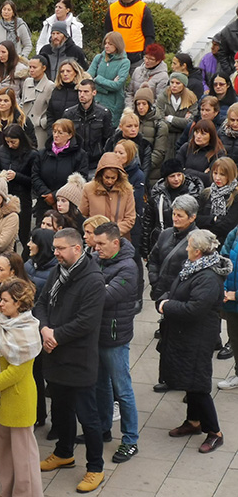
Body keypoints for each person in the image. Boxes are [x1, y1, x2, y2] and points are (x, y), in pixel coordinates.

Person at [35, 229, 106, 493]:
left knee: (88, 417)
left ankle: (95, 467)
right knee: (60, 410)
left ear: (77, 249)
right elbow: (41, 303)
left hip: (78, 359)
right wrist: (44, 330)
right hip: (54, 355)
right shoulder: (58, 270)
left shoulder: (93, 280)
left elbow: (86, 322)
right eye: (55, 248)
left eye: (61, 248)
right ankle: (64, 452)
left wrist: (56, 335)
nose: (55, 253)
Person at [156, 229, 230, 452]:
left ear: (198, 252)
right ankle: (193, 422)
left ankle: (214, 432)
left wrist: (166, 306)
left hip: (198, 337)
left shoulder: (207, 277)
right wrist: (165, 299)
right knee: (189, 378)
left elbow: (194, 309)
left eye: (189, 246)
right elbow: (176, 290)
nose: (186, 248)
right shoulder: (194, 267)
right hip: (185, 334)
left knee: (198, 385)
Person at [0, 277, 44, 497]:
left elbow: (18, 371)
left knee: (24, 459)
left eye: (4, 301)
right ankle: (6, 492)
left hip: (16, 401)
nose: (0, 305)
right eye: (0, 300)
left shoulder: (28, 329)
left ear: (19, 303)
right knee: (2, 456)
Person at [90, 222, 140, 462]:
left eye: (100, 244)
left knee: (122, 389)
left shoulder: (128, 268)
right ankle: (103, 428)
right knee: (101, 385)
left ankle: (130, 439)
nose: (95, 247)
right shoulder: (96, 259)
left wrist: (93, 287)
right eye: (94, 242)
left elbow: (103, 297)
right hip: (96, 334)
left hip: (114, 337)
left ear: (116, 243)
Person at [79, 152, 137, 239]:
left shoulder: (127, 190)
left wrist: (113, 233)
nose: (109, 181)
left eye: (113, 178)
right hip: (95, 239)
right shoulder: (88, 188)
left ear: (119, 176)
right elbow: (83, 214)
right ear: (100, 174)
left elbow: (130, 218)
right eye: (107, 177)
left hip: (119, 239)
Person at [62, 79, 113, 170]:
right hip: (74, 160)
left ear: (94, 93)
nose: (82, 95)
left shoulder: (103, 113)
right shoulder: (69, 114)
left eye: (86, 92)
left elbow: (108, 139)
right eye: (80, 91)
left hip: (96, 161)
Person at [103, 0, 154, 66]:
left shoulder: (142, 8)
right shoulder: (113, 8)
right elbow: (107, 32)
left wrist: (145, 54)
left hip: (137, 57)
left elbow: (150, 35)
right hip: (116, 56)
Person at [89, 32, 131, 127]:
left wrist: (98, 79)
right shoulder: (98, 58)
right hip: (96, 102)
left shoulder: (124, 62)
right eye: (105, 43)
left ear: (117, 45)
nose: (106, 46)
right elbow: (88, 79)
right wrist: (108, 85)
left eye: (110, 44)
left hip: (113, 106)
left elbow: (117, 86)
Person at [196, 157, 238, 242]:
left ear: (231, 174)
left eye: (222, 174)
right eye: (215, 173)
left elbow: (228, 225)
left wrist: (207, 225)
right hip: (202, 239)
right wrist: (213, 219)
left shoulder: (235, 196)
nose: (217, 178)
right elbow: (196, 219)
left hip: (225, 242)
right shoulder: (207, 193)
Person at [157, 72, 198, 156]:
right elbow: (159, 120)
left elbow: (190, 123)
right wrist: (181, 124)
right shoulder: (162, 97)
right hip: (165, 139)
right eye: (172, 82)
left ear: (184, 84)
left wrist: (170, 118)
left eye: (178, 83)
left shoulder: (191, 99)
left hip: (182, 140)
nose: (174, 85)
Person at [126, 43, 169, 107]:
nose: (147, 61)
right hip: (133, 109)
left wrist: (146, 111)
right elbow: (129, 93)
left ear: (158, 61)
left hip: (150, 112)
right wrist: (130, 108)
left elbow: (160, 101)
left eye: (151, 59)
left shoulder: (163, 76)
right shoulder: (137, 70)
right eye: (146, 57)